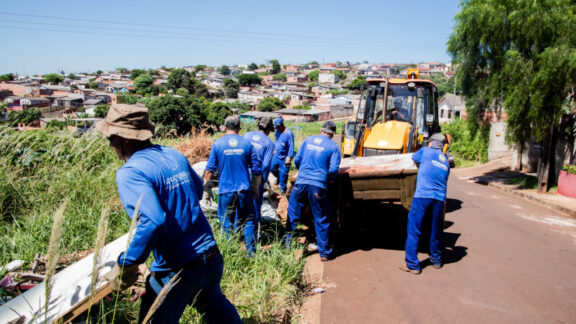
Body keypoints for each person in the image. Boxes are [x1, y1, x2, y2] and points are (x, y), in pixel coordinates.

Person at [97, 104, 241, 324]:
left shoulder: (131, 172)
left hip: (177, 268)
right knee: (213, 305)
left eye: (111, 139)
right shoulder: (173, 155)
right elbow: (196, 190)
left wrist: (128, 262)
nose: (110, 145)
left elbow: (153, 221)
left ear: (124, 139)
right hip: (210, 256)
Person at [205, 115, 262, 255]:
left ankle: (230, 253)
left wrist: (206, 191)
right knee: (248, 220)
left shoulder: (217, 144)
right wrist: (255, 189)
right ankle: (251, 253)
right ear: (239, 128)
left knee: (226, 222)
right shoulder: (247, 144)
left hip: (226, 190)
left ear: (224, 127)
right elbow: (257, 170)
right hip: (244, 190)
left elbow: (209, 171)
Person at [285, 121, 341, 261]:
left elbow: (297, 160)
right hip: (318, 186)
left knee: (292, 215)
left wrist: (303, 171)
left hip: (301, 183)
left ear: (321, 130)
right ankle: (324, 253)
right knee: (321, 217)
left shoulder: (308, 140)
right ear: (332, 134)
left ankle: (287, 246)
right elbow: (334, 170)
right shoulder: (333, 146)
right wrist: (327, 178)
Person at [400, 133, 450, 275]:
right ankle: (436, 260)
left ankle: (412, 264)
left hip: (423, 196)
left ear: (431, 143)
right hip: (439, 200)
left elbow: (414, 157)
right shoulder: (445, 161)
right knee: (435, 230)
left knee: (414, 229)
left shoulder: (425, 152)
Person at [243, 117, 275, 223]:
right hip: (255, 177)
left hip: (241, 174)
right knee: (255, 205)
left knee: (240, 202)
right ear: (269, 129)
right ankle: (255, 232)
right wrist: (263, 181)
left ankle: (238, 231)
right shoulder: (269, 143)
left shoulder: (246, 136)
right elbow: (266, 165)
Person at [270, 117, 294, 194]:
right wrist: (273, 149)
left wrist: (289, 157)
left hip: (284, 157)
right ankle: (278, 178)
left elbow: (291, 146)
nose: (275, 129)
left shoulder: (289, 133)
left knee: (283, 173)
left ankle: (283, 189)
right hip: (276, 155)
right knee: (272, 168)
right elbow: (276, 141)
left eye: (276, 127)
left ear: (280, 125)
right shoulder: (277, 132)